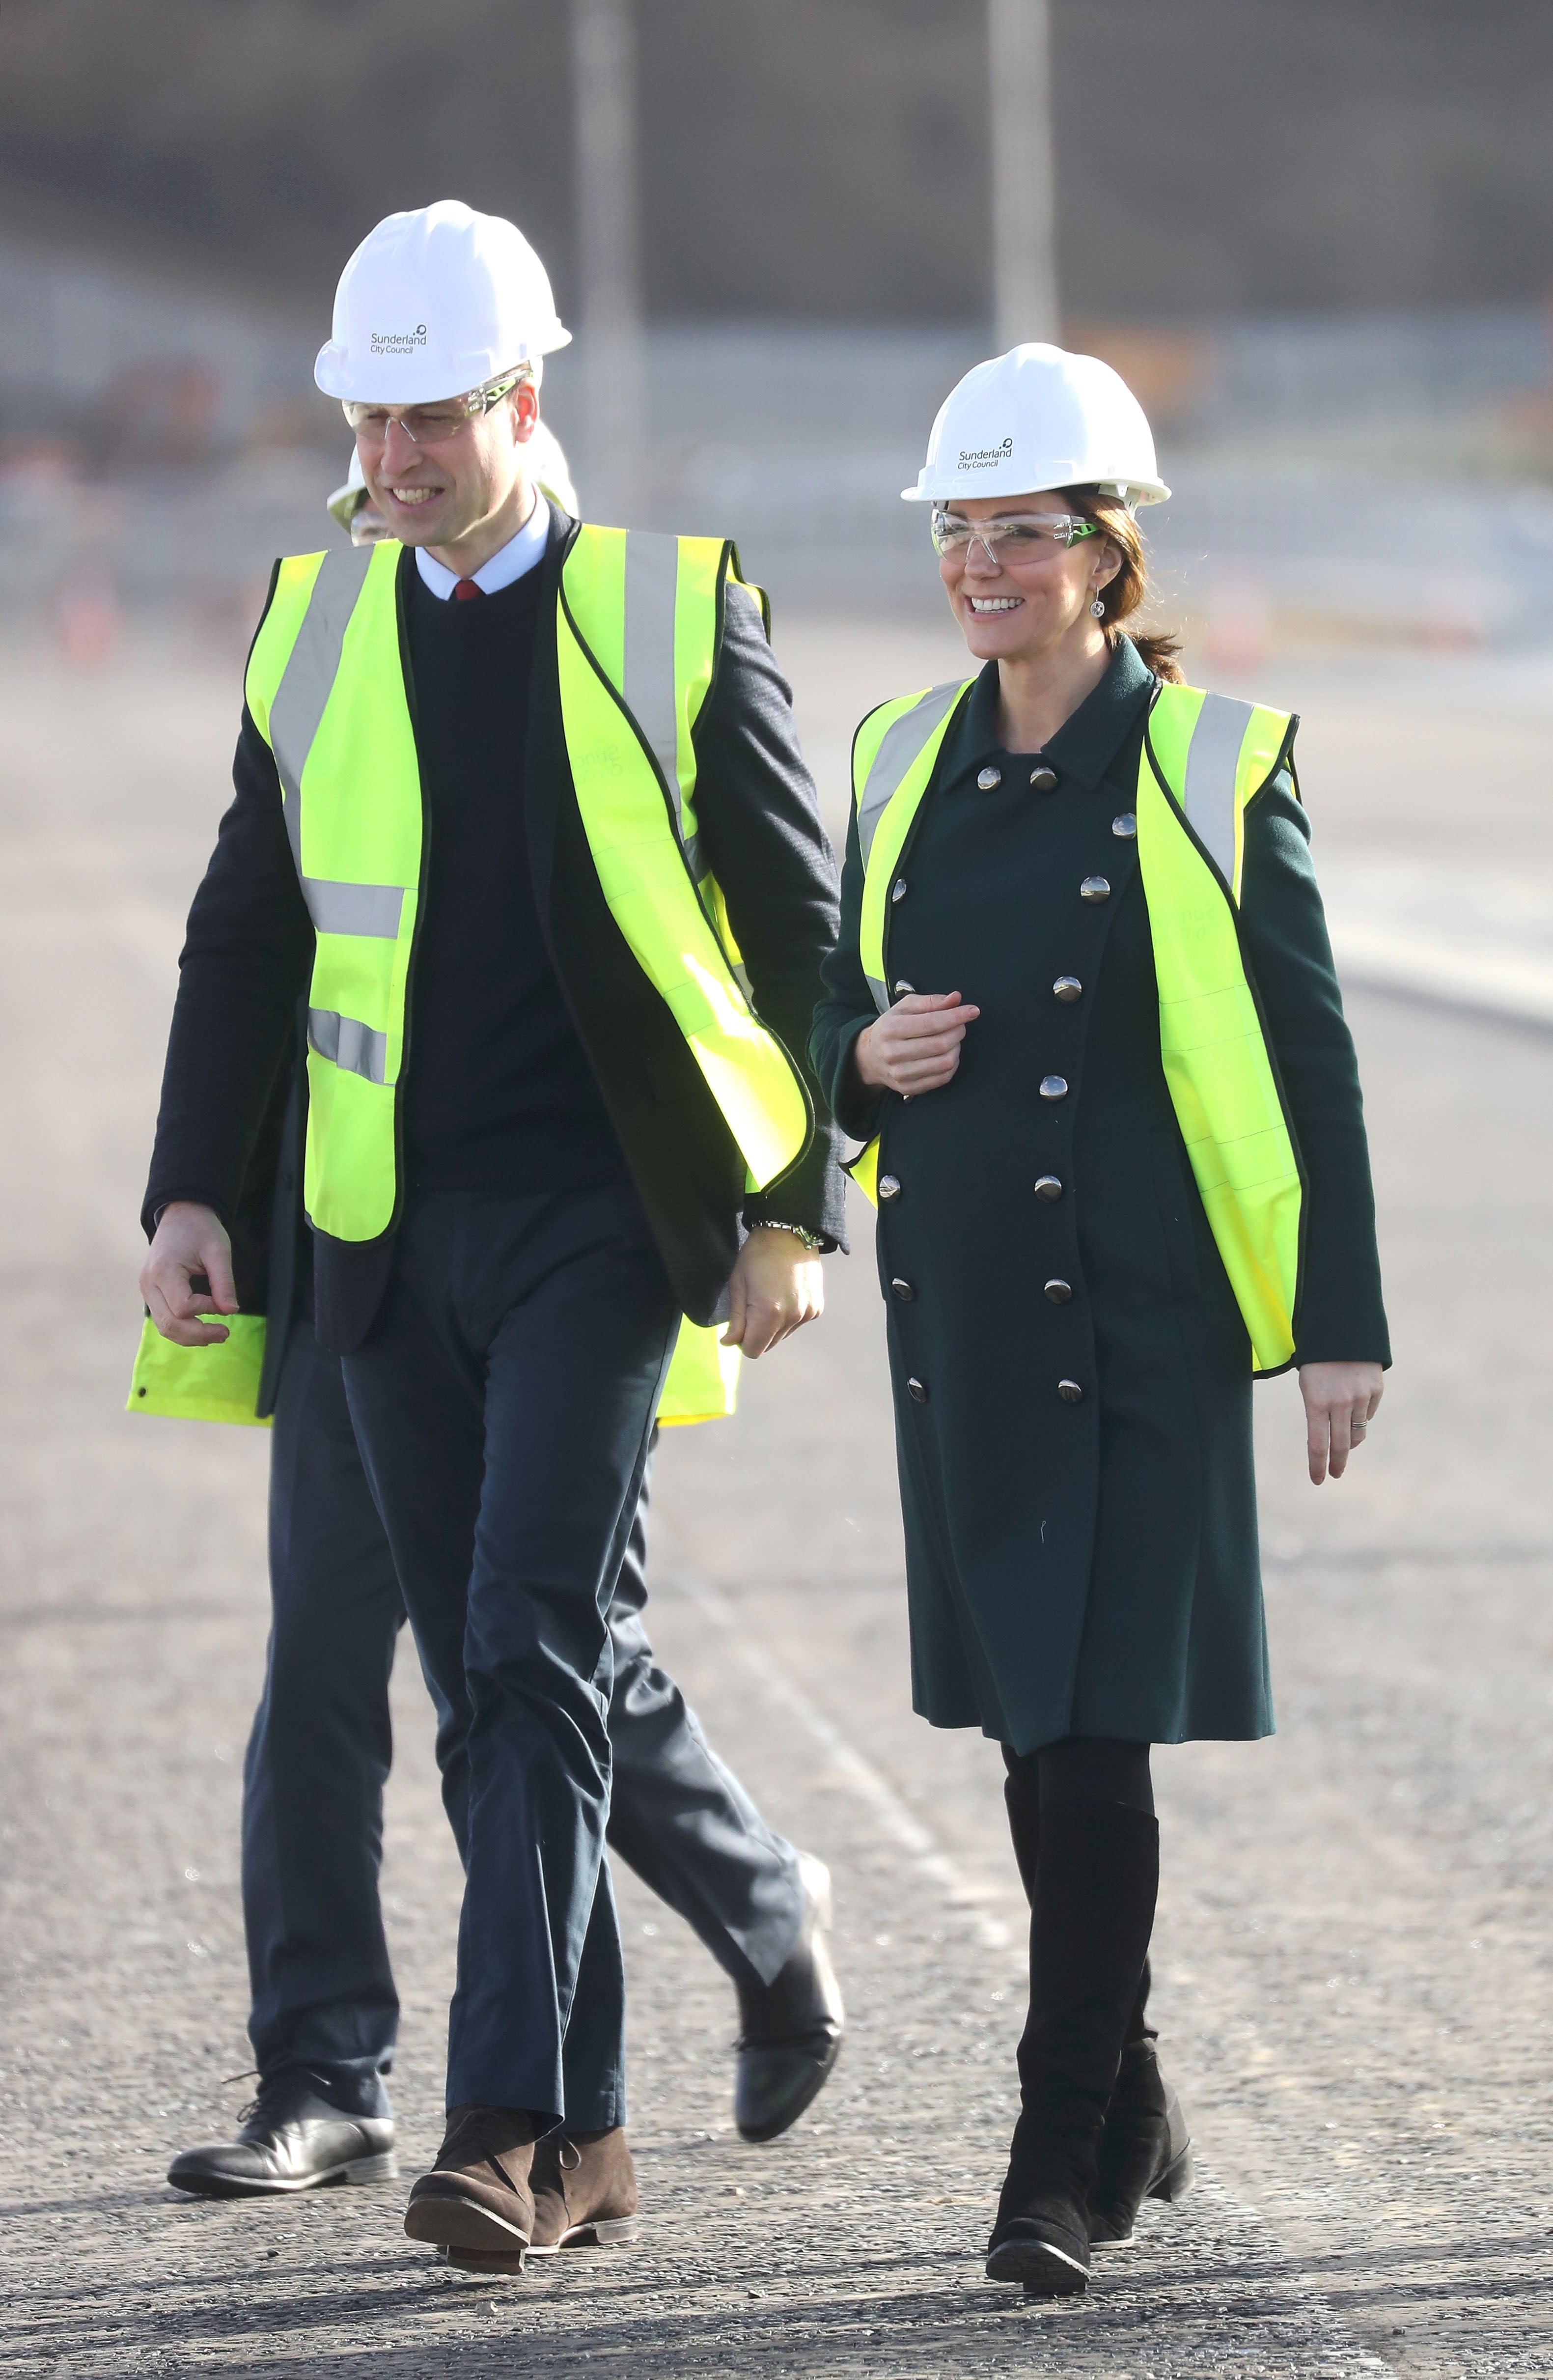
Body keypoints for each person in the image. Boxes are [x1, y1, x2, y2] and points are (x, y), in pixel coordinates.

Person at [138, 199, 847, 2267]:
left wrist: (794, 1205)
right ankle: (583, 2132)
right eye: (368, 422)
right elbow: (246, 930)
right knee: (478, 1680)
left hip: (600, 1226)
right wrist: (194, 1185)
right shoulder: (315, 621)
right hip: (371, 1221)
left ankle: (499, 2122)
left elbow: (799, 932)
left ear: (521, 403)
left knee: (531, 1651)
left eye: (430, 418)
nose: (392, 461)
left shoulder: (669, 604)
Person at [811, 343, 1389, 2296]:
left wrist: (1337, 1320)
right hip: (961, 1311)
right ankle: (1126, 2088)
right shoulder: (896, 755)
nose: (981, 562)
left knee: (1087, 1739)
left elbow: (1308, 1057)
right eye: (957, 530)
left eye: (1022, 531)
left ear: (1104, 551)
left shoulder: (1216, 761)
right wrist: (850, 1061)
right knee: (1025, 1723)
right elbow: (812, 1003)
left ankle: (1052, 2152)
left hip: (1137, 1321)